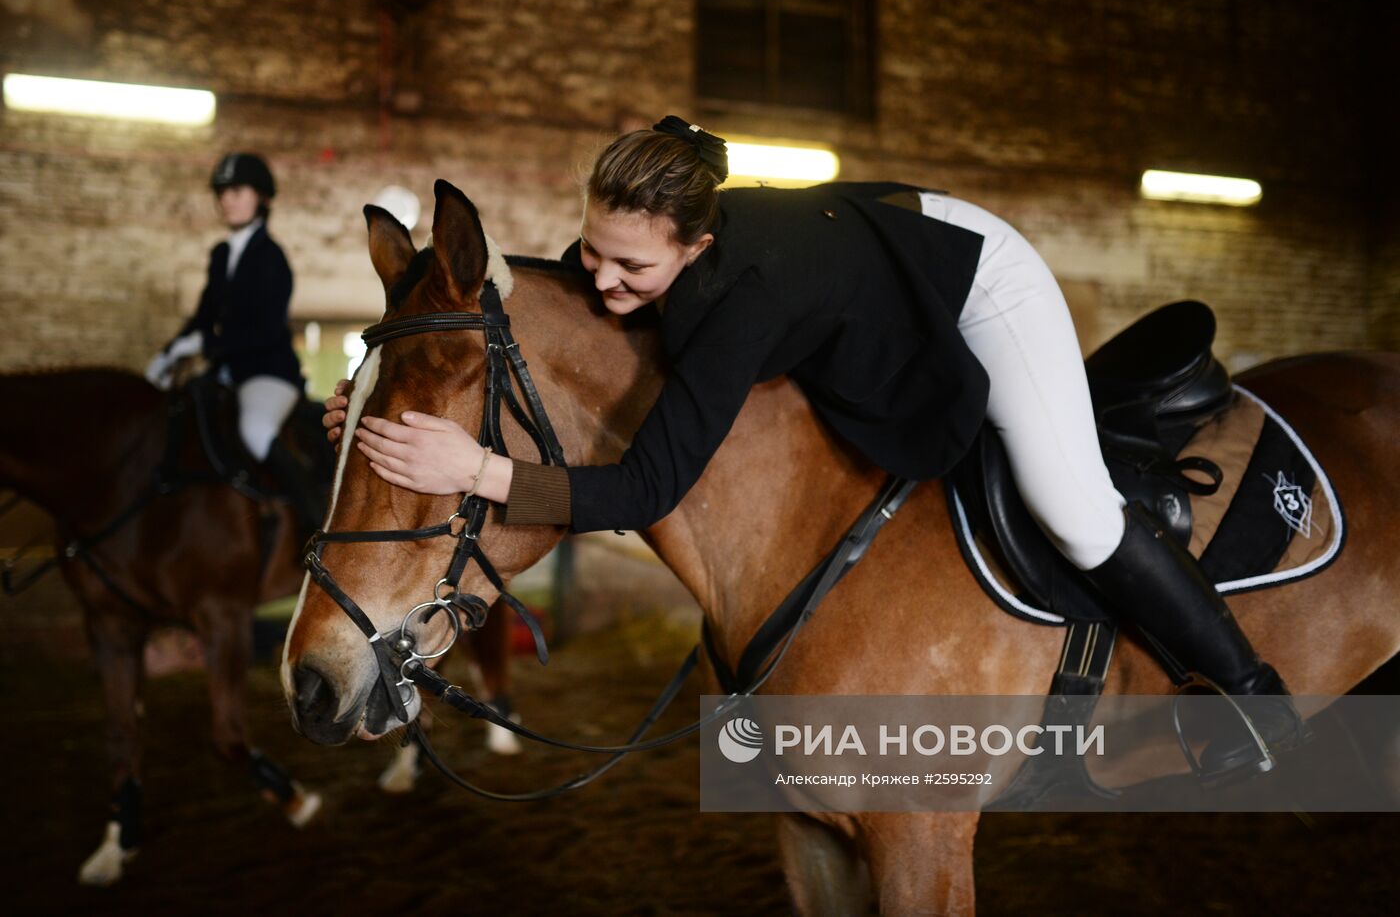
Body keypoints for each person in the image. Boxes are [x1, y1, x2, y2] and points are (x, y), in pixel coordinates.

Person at [328, 116, 1306, 780]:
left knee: (1070, 503)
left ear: (696, 249)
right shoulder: (645, 252)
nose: (605, 279)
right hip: (858, 270)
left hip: (972, 279)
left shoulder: (739, 302)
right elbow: (535, 329)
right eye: (594, 250)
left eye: (632, 265)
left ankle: (1248, 693)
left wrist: (480, 473)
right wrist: (377, 408)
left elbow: (648, 484)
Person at [147, 152, 321, 532]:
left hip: (268, 373)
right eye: (222, 192)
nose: (227, 199)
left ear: (262, 198)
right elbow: (204, 315)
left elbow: (264, 331)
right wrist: (168, 352)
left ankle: (313, 520)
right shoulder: (222, 253)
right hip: (227, 371)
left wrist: (204, 347)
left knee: (256, 431)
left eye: (237, 191)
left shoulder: (272, 258)